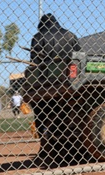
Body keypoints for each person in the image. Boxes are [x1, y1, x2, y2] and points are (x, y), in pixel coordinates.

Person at [27, 13, 82, 166]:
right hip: (68, 81)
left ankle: (48, 150)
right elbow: (78, 57)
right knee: (66, 116)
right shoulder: (70, 35)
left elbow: (34, 62)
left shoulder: (38, 37)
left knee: (43, 117)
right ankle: (68, 152)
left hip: (45, 83)